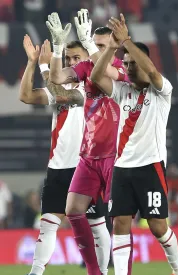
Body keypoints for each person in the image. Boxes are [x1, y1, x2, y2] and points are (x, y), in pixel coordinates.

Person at [89, 14, 178, 275]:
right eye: (127, 63)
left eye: (134, 63)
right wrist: (112, 47)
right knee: (120, 223)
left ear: (145, 63)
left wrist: (127, 41)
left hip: (150, 167)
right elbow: (97, 76)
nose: (129, 68)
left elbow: (152, 72)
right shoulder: (123, 90)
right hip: (122, 168)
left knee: (157, 226)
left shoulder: (161, 91)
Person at [46, 10, 128, 275]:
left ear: (114, 49)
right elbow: (57, 79)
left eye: (103, 46)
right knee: (73, 210)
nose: (99, 50)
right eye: (96, 45)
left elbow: (101, 78)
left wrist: (91, 46)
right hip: (89, 156)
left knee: (120, 220)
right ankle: (95, 271)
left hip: (116, 155)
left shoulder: (121, 69)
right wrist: (58, 48)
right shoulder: (84, 68)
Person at [19, 35, 108, 275]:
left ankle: (103, 271)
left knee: (98, 227)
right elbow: (27, 96)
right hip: (58, 167)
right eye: (68, 58)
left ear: (88, 60)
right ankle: (35, 272)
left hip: (87, 166)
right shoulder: (62, 86)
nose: (71, 62)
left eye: (76, 58)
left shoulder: (93, 86)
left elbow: (58, 92)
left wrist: (45, 67)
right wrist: (31, 62)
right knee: (48, 224)